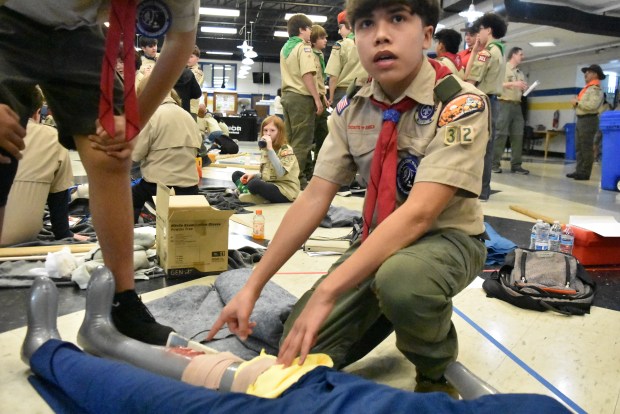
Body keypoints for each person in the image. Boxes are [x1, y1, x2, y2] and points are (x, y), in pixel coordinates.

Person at [209, 0, 490, 397]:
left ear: (427, 34)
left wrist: (330, 291)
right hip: (376, 238)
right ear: (354, 39)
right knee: (300, 348)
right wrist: (253, 286)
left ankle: (435, 367)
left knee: (404, 282)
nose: (380, 34)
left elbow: (421, 214)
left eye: (397, 18)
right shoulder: (350, 108)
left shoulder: (460, 104)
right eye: (365, 24)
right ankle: (392, 305)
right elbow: (313, 198)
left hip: (445, 239)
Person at [20, 270, 569, 414]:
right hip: (320, 386)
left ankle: (54, 350)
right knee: (243, 363)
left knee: (137, 397)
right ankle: (102, 337)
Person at [0, 1, 198, 345]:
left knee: (112, 153)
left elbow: (180, 42)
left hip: (77, 31)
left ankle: (122, 304)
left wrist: (132, 123)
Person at [1, 87, 88, 246]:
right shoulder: (53, 138)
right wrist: (65, 233)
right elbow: (59, 200)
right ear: (37, 112)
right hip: (20, 239)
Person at [131, 80, 202, 223]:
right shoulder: (188, 117)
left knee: (126, 198)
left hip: (157, 189)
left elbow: (136, 155)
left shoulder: (151, 116)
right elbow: (198, 148)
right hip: (190, 190)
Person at [465, 13, 507, 201]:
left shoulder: (486, 53)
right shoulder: (500, 52)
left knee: (479, 146)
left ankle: (478, 189)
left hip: (483, 102)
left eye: (480, 29)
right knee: (487, 147)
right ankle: (483, 189)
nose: (478, 33)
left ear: (488, 30)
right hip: (494, 102)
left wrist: (475, 52)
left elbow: (470, 80)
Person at [280, 13, 322, 189]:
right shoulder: (303, 48)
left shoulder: (285, 48)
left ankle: (288, 175)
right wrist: (317, 98)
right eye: (309, 29)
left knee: (289, 139)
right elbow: (307, 75)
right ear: (301, 29)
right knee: (302, 141)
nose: (311, 32)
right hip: (301, 98)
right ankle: (296, 179)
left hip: (287, 96)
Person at [231, 115, 300, 204]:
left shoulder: (286, 150)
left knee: (254, 184)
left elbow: (281, 172)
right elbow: (267, 173)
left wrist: (270, 149)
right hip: (269, 183)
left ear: (280, 132)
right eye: (265, 130)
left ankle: (249, 193)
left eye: (272, 130)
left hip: (284, 189)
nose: (268, 133)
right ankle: (249, 193)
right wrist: (255, 175)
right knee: (237, 175)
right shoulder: (265, 149)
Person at [492, 47, 529, 175]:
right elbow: (496, 84)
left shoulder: (520, 72)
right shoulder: (503, 68)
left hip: (517, 105)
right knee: (500, 134)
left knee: (518, 134)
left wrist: (524, 88)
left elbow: (520, 86)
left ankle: (516, 165)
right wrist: (513, 84)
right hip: (504, 104)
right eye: (520, 54)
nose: (522, 57)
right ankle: (494, 164)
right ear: (513, 55)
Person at [567, 64, 606, 181]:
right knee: (579, 147)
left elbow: (592, 105)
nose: (585, 74)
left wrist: (577, 103)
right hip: (581, 119)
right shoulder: (587, 89)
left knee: (586, 147)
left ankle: (585, 172)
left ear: (595, 74)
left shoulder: (596, 89)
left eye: (588, 72)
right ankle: (579, 170)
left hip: (589, 120)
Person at [325, 10, 368, 107]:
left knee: (342, 121)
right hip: (366, 91)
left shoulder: (340, 45)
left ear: (350, 25)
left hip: (344, 93)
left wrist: (331, 97)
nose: (339, 31)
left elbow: (333, 75)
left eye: (341, 27)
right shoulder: (369, 43)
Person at [311, 24, 330, 164]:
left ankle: (318, 165)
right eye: (322, 38)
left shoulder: (319, 55)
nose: (325, 41)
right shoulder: (310, 54)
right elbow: (312, 78)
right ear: (313, 40)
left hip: (320, 97)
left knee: (323, 135)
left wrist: (324, 96)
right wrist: (318, 97)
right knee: (309, 135)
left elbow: (320, 79)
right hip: (313, 100)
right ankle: (306, 170)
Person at [187, 45, 205, 121]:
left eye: (191, 56)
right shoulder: (184, 69)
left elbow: (189, 87)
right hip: (180, 107)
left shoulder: (198, 72)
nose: (188, 59)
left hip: (191, 108)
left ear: (197, 59)